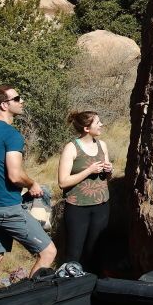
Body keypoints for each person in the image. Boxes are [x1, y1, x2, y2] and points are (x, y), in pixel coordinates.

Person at [0, 85, 57, 293]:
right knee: (48, 253)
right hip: (7, 208)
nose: (22, 102)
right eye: (17, 98)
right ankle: (28, 303)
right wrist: (32, 184)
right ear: (4, 105)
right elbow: (15, 174)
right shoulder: (11, 135)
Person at [57, 111, 112, 273]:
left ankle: (94, 287)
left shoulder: (102, 145)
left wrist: (109, 170)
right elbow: (63, 182)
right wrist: (89, 170)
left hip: (102, 205)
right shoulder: (71, 148)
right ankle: (72, 289)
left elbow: (107, 177)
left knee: (97, 251)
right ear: (87, 128)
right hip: (77, 207)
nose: (101, 125)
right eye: (97, 123)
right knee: (75, 253)